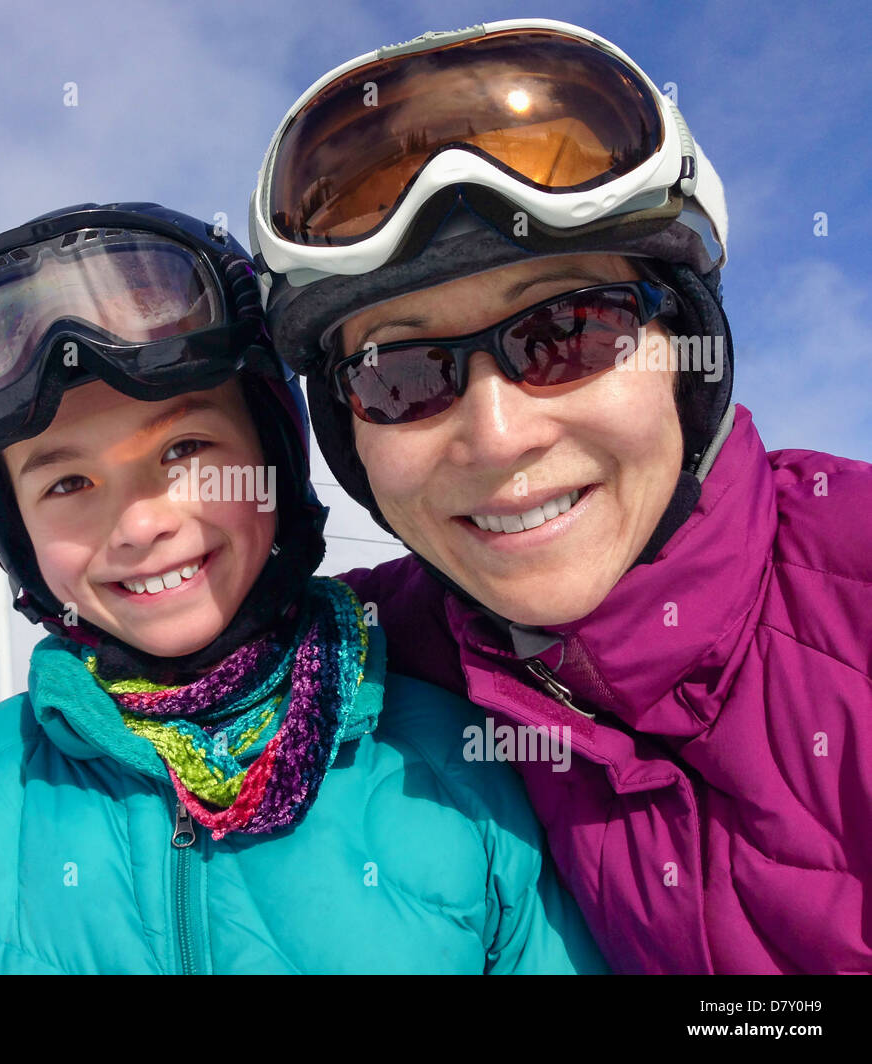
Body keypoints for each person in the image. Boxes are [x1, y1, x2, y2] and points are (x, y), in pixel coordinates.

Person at [246, 18, 872, 973]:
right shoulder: (386, 650)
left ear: (686, 353)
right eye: (400, 376)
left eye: (567, 333)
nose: (499, 438)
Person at [0, 202, 603, 974]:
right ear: (14, 532)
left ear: (274, 462)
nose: (140, 523)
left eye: (185, 447)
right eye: (68, 482)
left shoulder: (458, 766)